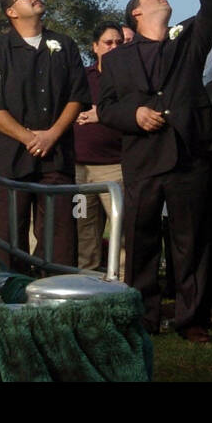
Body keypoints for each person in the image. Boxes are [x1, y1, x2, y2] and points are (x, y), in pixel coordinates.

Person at [98, 0, 212, 342]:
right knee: (142, 240)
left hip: (189, 157)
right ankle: (144, 317)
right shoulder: (116, 60)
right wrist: (134, 115)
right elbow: (107, 107)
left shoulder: (186, 41)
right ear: (136, 11)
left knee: (192, 243)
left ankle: (192, 320)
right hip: (144, 161)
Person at [0, 0, 89, 272]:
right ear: (11, 11)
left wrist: (52, 135)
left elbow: (77, 97)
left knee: (60, 237)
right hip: (12, 160)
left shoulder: (64, 45)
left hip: (57, 157)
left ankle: (56, 295)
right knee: (9, 235)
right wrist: (29, 138)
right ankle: (11, 295)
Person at [73, 22, 126, 275]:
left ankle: (123, 284)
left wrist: (102, 114)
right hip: (80, 171)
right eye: (108, 42)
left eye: (119, 43)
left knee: (122, 232)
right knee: (85, 232)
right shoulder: (81, 78)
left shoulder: (129, 80)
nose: (114, 47)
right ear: (95, 47)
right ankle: (88, 287)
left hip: (115, 168)